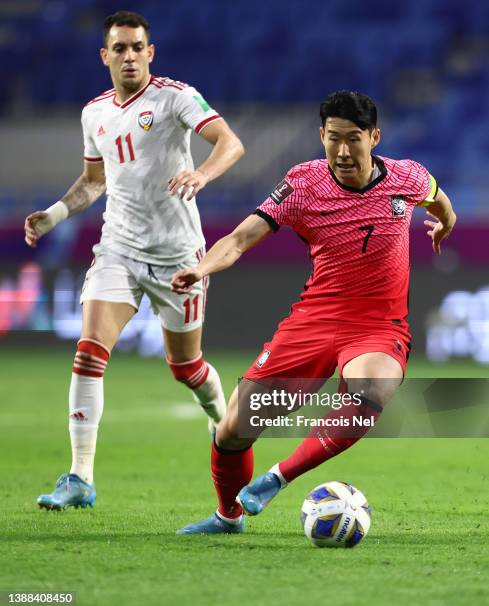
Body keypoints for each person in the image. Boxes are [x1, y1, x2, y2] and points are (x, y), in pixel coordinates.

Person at [171, 90, 456, 535]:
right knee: (232, 431)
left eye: (354, 139)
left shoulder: (408, 178)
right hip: (315, 322)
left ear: (374, 137)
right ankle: (228, 517)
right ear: (321, 135)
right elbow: (242, 239)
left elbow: (441, 203)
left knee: (371, 390)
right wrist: (202, 268)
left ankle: (277, 476)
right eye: (333, 138)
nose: (343, 151)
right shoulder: (303, 184)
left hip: (378, 327)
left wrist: (444, 225)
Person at [24, 11, 244, 511]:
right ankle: (80, 477)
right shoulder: (93, 114)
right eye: (119, 48)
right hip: (118, 249)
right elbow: (94, 182)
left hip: (178, 256)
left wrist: (203, 174)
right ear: (105, 56)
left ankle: (220, 422)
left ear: (151, 52)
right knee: (88, 352)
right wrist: (54, 215)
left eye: (137, 47)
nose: (128, 56)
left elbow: (231, 143)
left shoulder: (175, 97)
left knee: (186, 367)